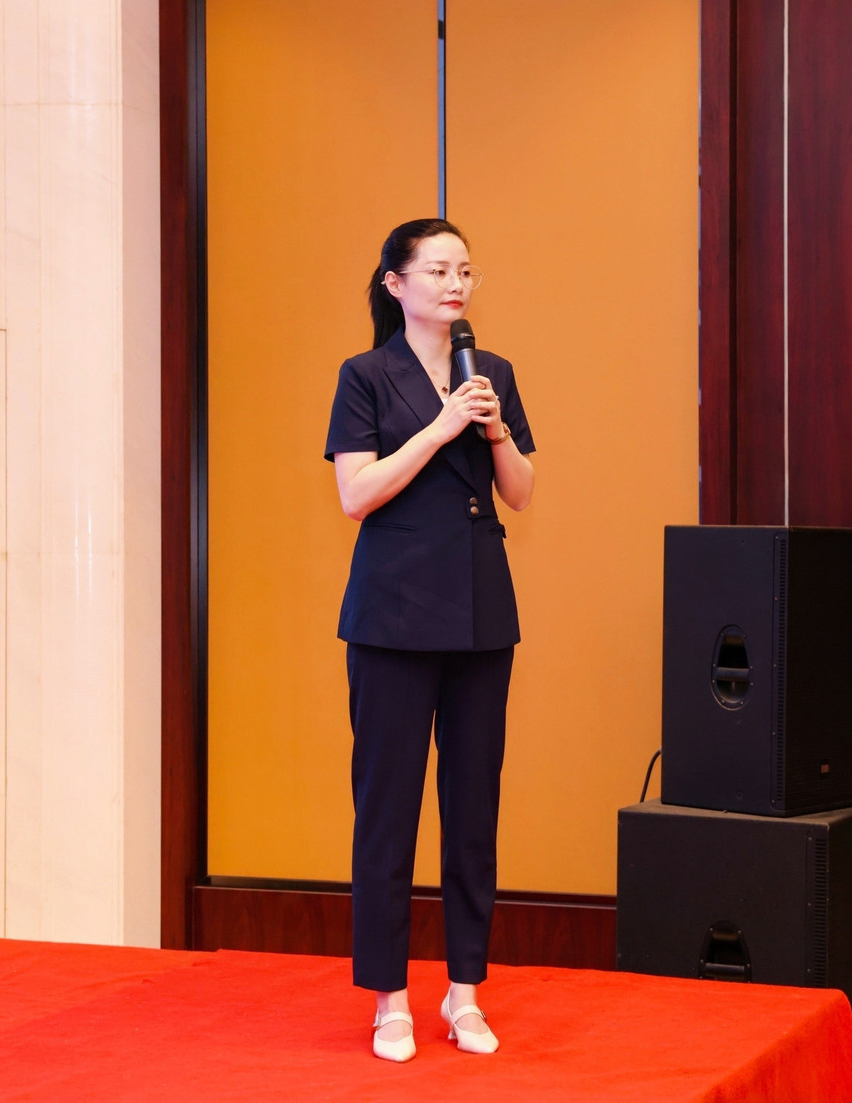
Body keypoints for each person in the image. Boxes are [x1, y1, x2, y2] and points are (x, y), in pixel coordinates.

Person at [323, 218, 536, 1062]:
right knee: (388, 811)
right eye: (438, 270)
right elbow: (356, 493)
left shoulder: (495, 372)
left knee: (473, 809)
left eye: (465, 271)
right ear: (396, 283)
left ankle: (465, 992)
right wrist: (441, 427)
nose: (456, 284)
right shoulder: (365, 375)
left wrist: (493, 429)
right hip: (393, 617)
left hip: (481, 612)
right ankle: (389, 999)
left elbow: (521, 492)